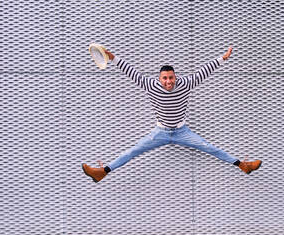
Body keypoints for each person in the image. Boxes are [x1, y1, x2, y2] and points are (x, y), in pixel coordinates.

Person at [82, 46, 261, 183]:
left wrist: (223, 58)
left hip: (182, 131)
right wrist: (111, 57)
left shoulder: (185, 83)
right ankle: (102, 172)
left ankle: (243, 166)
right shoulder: (150, 85)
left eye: (171, 77)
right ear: (159, 79)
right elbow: (130, 70)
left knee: (210, 148)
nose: (169, 81)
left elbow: (205, 71)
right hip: (160, 133)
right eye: (165, 78)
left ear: (176, 77)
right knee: (133, 151)